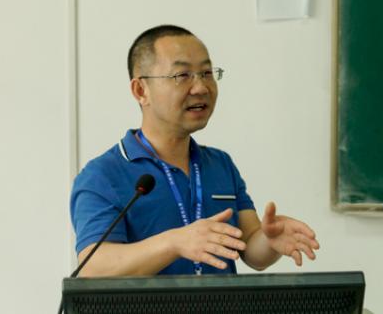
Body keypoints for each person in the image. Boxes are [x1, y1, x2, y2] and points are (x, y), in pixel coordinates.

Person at [70, 25, 319, 276]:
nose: (201, 87)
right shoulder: (102, 175)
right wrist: (175, 243)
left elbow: (251, 249)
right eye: (182, 75)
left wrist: (269, 240)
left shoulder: (220, 164)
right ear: (141, 91)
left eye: (207, 73)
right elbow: (94, 267)